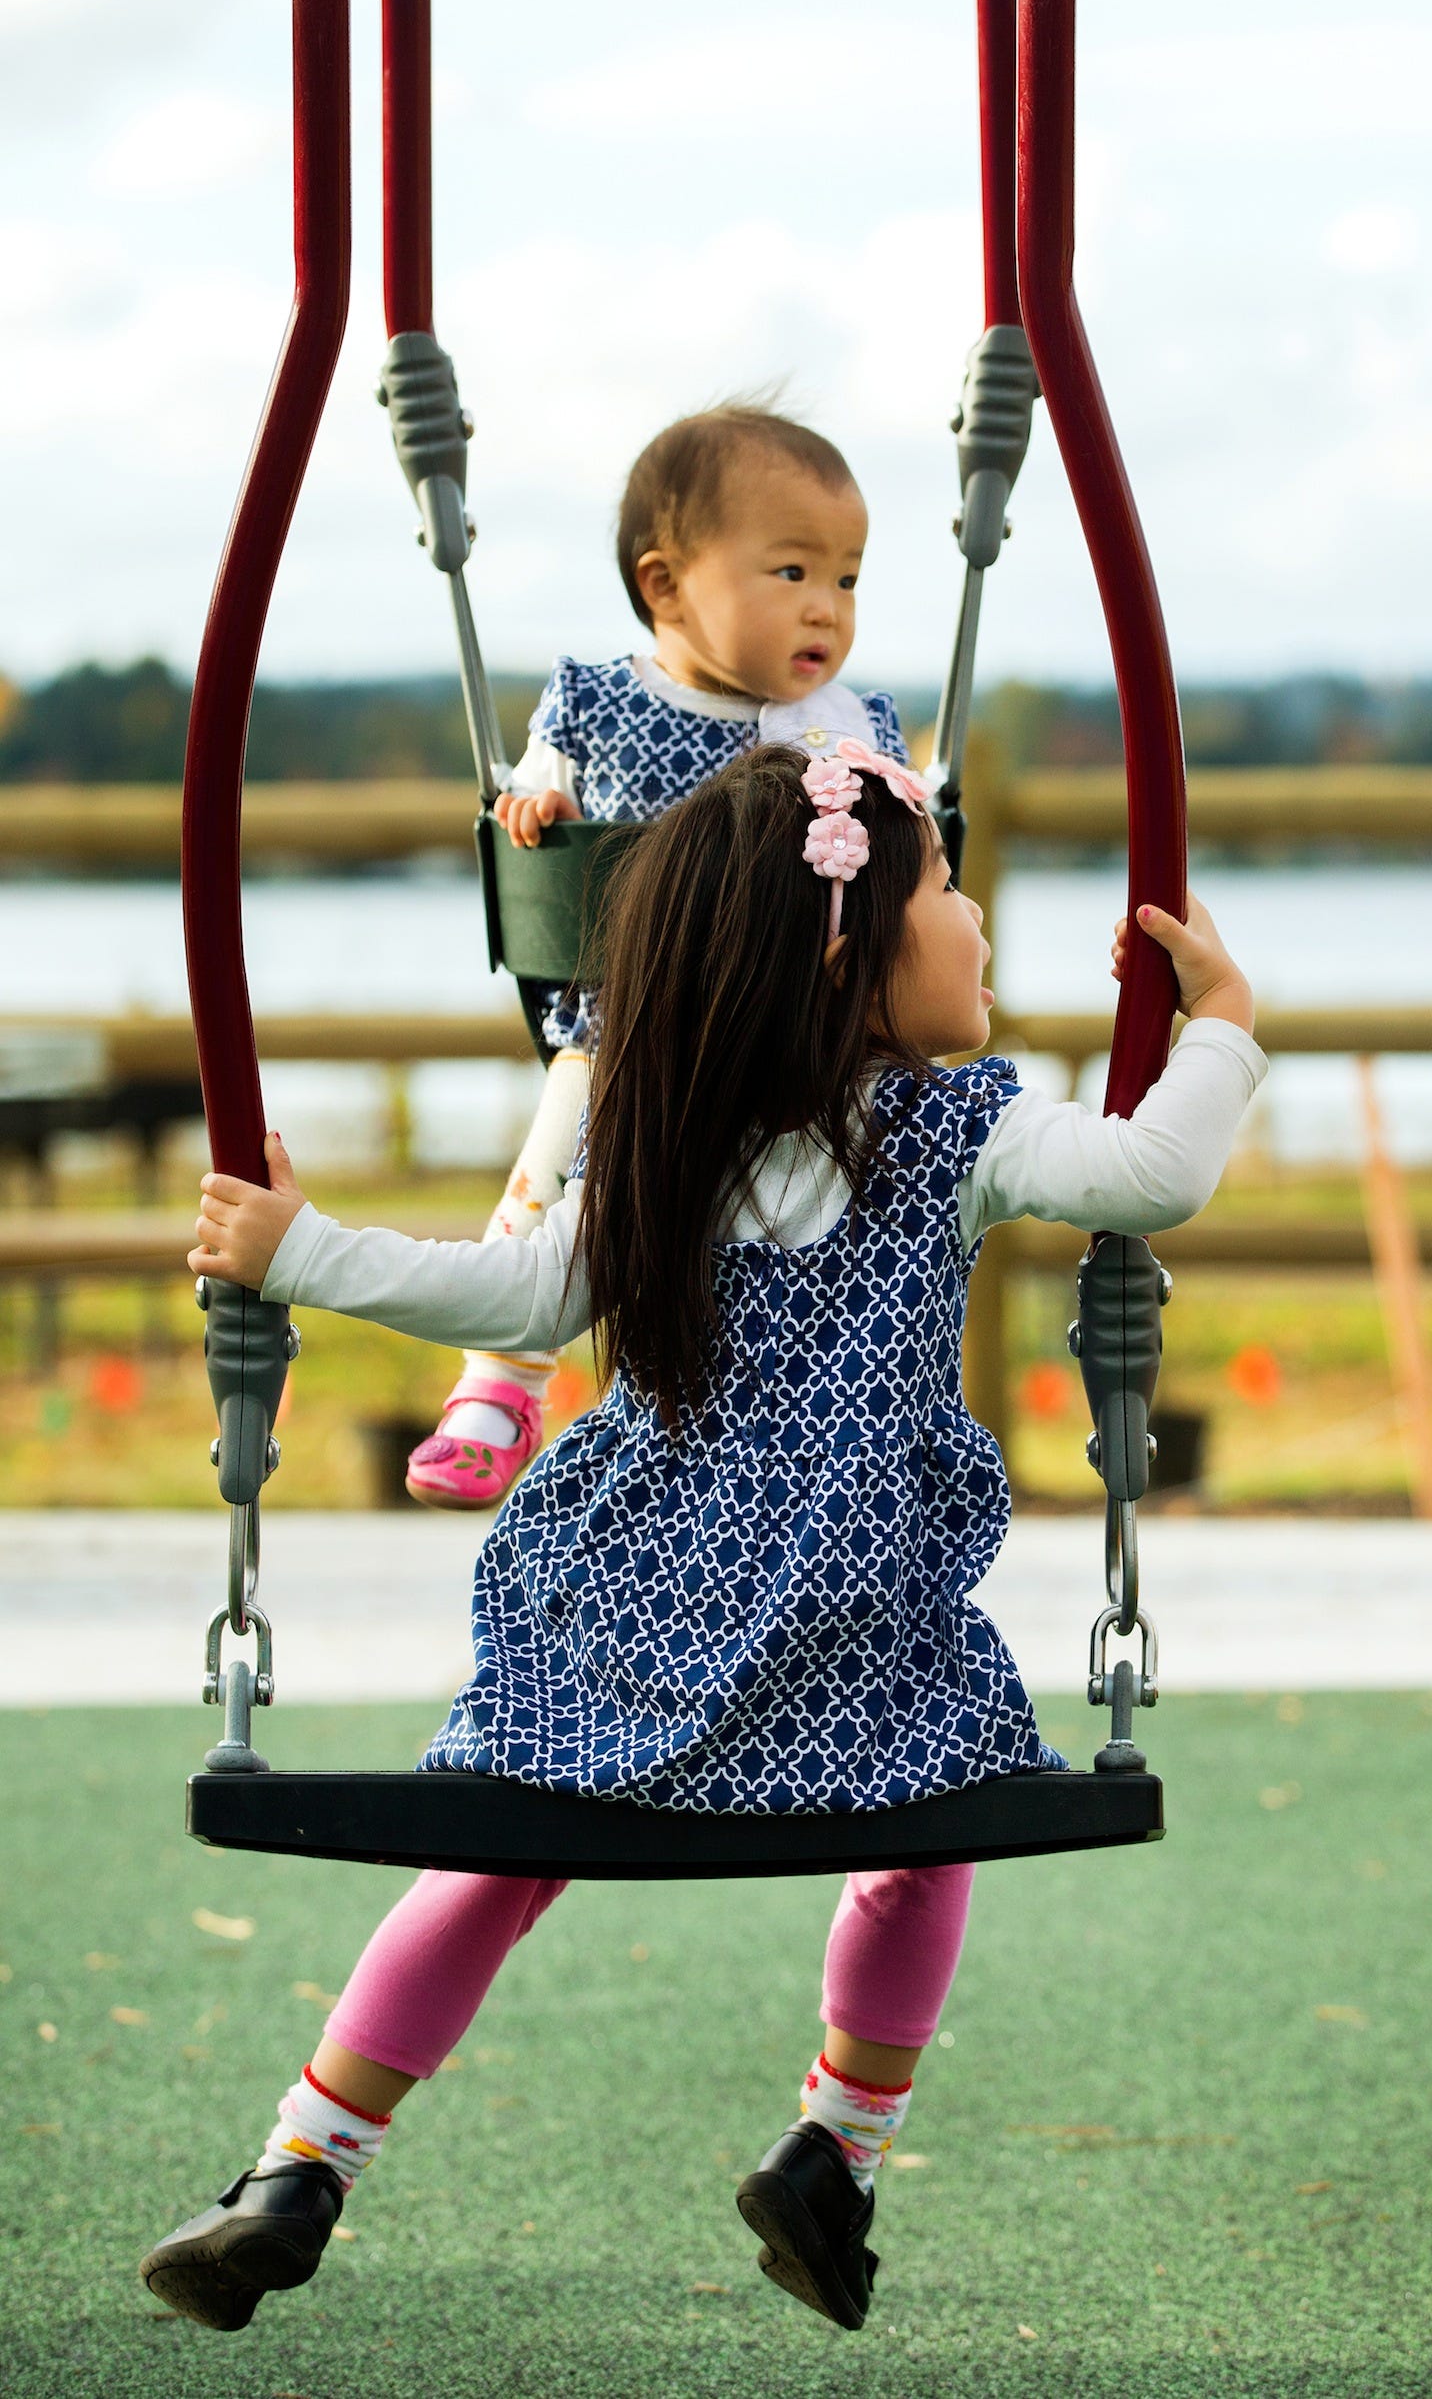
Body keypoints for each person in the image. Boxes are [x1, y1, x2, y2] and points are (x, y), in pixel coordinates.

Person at [142, 739, 1264, 2338]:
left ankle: (299, 2164)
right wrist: (1222, 1022)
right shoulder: (958, 1131)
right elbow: (1160, 1170)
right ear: (844, 955)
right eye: (943, 885)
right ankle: (837, 2142)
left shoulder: (669, 1141)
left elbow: (513, 1293)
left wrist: (304, 1248)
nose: (979, 910)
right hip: (859, 1632)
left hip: (632, 1611)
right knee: (927, 1828)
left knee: (496, 1845)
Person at [406, 397, 909, 1509]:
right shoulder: (596, 702)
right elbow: (540, 792)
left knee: (848, 1211)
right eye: (791, 573)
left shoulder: (852, 723)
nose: (826, 605)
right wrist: (535, 801)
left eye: (847, 577)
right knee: (548, 1180)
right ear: (665, 585)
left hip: (795, 1042)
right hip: (625, 1028)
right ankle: (497, 1381)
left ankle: (829, 1414)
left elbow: (902, 851)